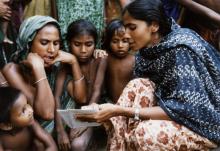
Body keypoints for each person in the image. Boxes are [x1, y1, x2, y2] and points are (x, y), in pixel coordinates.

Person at [77, 0, 220, 150]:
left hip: (203, 124)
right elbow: (139, 97)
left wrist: (119, 111)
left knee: (144, 133)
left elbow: (184, 109)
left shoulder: (180, 50)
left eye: (132, 27)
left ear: (154, 26)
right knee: (137, 85)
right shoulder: (148, 52)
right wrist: (104, 109)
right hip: (173, 110)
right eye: (125, 27)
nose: (126, 34)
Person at [54, 19, 107, 151]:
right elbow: (56, 96)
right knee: (69, 139)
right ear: (69, 43)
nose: (83, 50)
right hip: (74, 110)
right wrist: (60, 131)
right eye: (77, 44)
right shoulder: (65, 64)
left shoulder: (100, 59)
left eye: (89, 44)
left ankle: (94, 138)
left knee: (77, 144)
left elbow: (97, 92)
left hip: (96, 109)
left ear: (95, 43)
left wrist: (86, 121)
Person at [0, 86, 58, 151]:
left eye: (27, 103)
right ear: (7, 125)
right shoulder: (2, 139)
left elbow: (52, 145)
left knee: (39, 144)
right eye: (23, 111)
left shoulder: (31, 124)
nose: (31, 110)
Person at [103, 19, 134, 103]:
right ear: (108, 42)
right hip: (109, 102)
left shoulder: (135, 60)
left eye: (125, 41)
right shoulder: (105, 57)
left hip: (129, 104)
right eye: (115, 41)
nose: (120, 46)